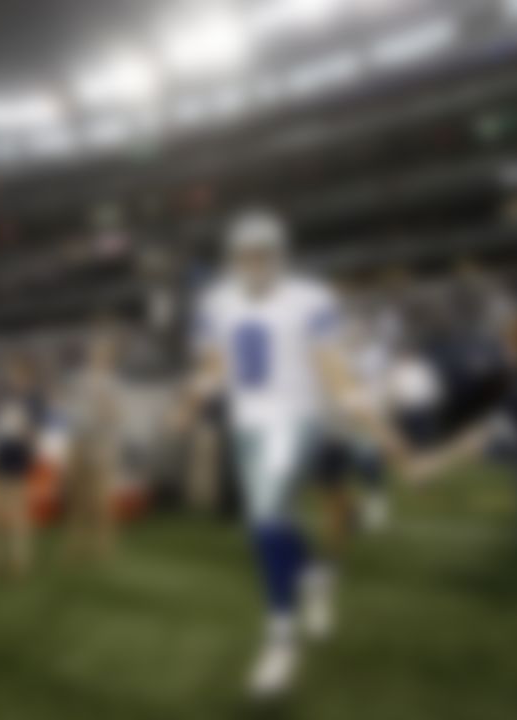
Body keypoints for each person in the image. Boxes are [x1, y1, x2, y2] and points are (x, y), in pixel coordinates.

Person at [171, 209, 413, 700]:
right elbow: (215, 367)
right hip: (247, 426)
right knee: (271, 523)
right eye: (245, 254)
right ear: (231, 258)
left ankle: (281, 639)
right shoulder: (215, 302)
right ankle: (314, 574)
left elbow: (334, 370)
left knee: (264, 520)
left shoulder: (310, 298)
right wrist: (188, 403)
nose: (254, 262)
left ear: (281, 255)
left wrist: (377, 424)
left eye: (264, 253)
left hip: (296, 420)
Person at [0, 356, 45, 580]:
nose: (13, 378)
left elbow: (34, 436)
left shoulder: (35, 400)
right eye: (11, 373)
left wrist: (25, 428)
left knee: (17, 519)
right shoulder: (1, 397)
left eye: (17, 373)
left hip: (17, 463)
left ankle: (18, 564)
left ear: (27, 375)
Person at [63, 333, 122, 561]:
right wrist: (70, 446)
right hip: (80, 441)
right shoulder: (79, 380)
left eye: (103, 354)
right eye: (95, 353)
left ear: (109, 358)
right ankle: (75, 545)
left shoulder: (113, 383)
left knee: (101, 501)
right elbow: (71, 413)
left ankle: (104, 546)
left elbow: (117, 416)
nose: (98, 358)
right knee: (77, 498)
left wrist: (104, 405)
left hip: (102, 445)